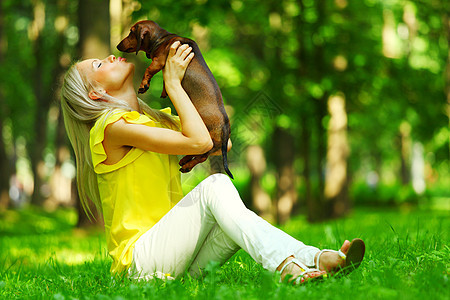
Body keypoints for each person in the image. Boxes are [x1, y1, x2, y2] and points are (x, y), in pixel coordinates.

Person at [60, 40, 365, 284]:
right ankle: (291, 265)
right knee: (216, 185)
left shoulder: (154, 120)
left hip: (176, 260)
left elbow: (221, 141)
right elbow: (199, 143)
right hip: (139, 265)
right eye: (99, 64)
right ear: (96, 93)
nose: (110, 57)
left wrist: (191, 78)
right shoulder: (109, 128)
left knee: (232, 217)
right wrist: (175, 86)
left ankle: (313, 258)